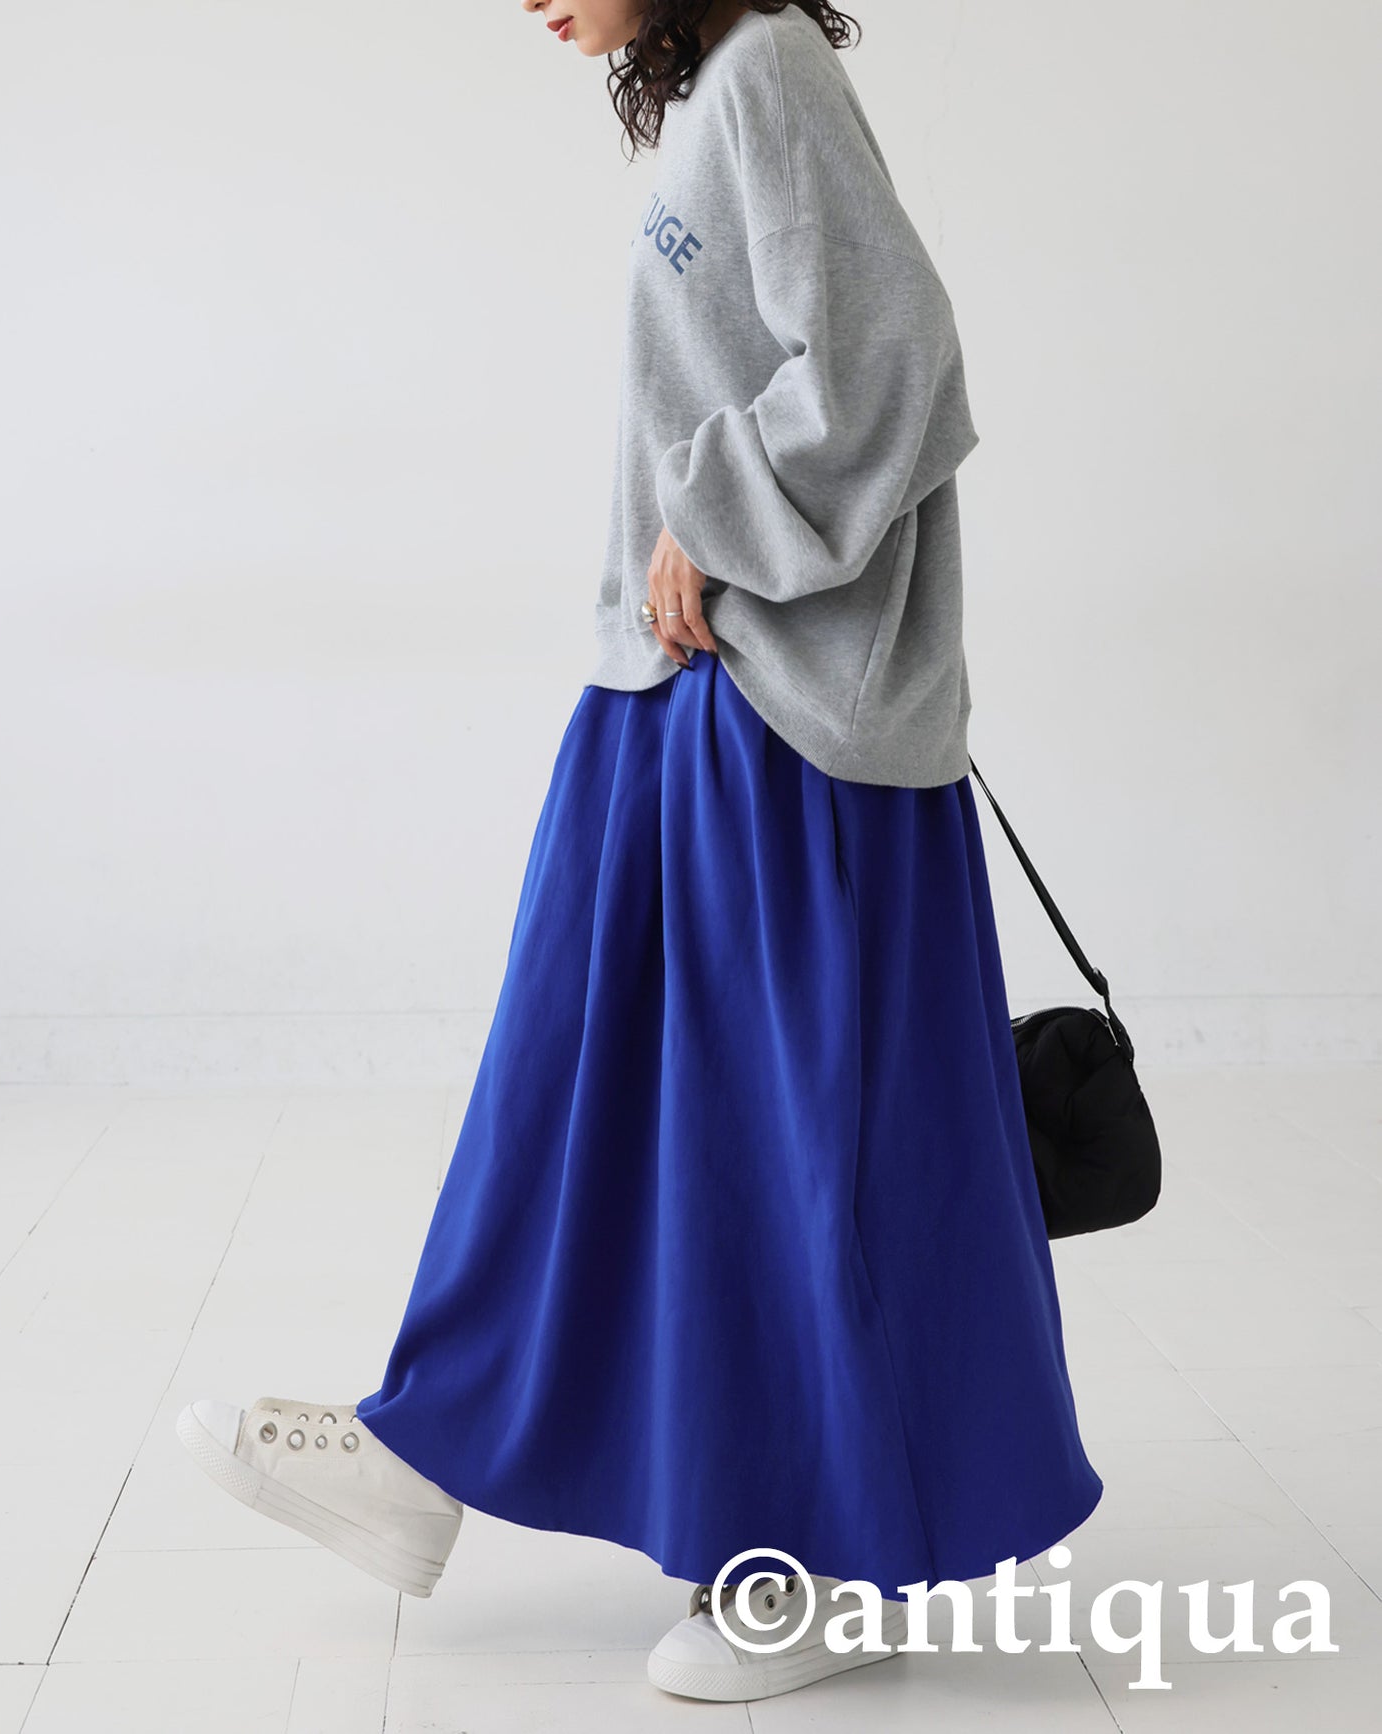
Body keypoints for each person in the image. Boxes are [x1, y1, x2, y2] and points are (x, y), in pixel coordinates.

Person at [178, 0, 1104, 1704]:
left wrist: (715, 515)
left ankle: (806, 1559)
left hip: (779, 707)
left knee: (777, 1136)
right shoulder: (716, 100)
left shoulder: (770, 75)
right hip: (674, 685)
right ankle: (431, 1446)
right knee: (571, 1088)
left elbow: (897, 359)